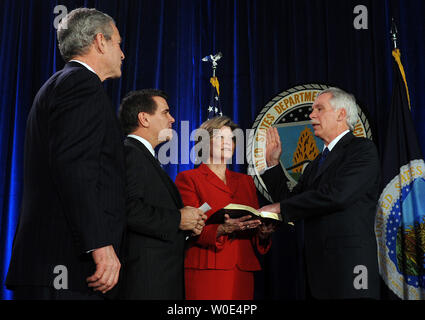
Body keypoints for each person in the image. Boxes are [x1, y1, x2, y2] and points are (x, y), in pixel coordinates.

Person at [6, 8, 126, 299]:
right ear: (100, 41)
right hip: (65, 267)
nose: (122, 54)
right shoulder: (81, 85)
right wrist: (99, 244)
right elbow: (75, 168)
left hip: (53, 267)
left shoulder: (60, 84)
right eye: (118, 44)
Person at [259, 87, 380, 299]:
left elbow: (337, 195)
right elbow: (292, 203)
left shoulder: (362, 150)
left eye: (319, 109)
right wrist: (273, 165)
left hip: (352, 268)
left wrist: (281, 208)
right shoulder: (316, 164)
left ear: (341, 114)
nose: (311, 115)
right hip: (318, 274)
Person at [117, 89, 207, 300]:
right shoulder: (131, 153)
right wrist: (178, 219)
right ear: (144, 118)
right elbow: (129, 209)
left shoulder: (144, 156)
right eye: (165, 112)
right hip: (146, 280)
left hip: (158, 277)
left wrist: (187, 226)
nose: (172, 119)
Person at [175, 116, 275, 300]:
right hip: (207, 268)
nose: (228, 143)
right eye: (221, 138)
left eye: (231, 139)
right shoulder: (188, 178)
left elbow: (251, 221)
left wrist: (262, 233)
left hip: (243, 269)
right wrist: (221, 229)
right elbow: (188, 226)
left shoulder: (246, 181)